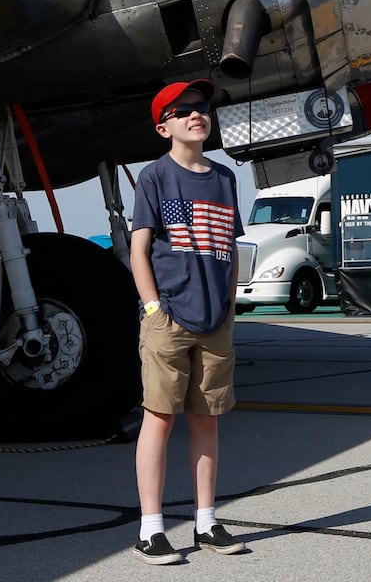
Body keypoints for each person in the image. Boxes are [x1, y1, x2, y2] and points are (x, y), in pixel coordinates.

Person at [128, 79, 248, 565]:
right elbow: (139, 249)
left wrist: (230, 302)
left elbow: (231, 248)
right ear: (164, 127)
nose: (196, 115)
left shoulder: (224, 178)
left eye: (201, 107)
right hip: (170, 316)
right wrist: (154, 306)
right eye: (182, 111)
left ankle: (206, 521)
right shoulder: (154, 177)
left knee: (206, 420)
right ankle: (150, 530)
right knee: (158, 419)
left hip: (216, 318)